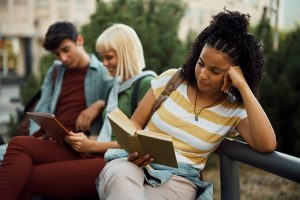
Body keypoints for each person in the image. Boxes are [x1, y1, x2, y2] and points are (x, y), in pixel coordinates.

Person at [97, 10, 277, 200]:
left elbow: (267, 144)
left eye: (215, 70)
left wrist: (243, 86)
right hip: (134, 165)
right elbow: (135, 123)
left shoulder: (233, 110)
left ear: (233, 74)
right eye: (201, 63)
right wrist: (135, 149)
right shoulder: (172, 79)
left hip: (178, 180)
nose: (203, 74)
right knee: (118, 177)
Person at [0, 23, 155, 200]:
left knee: (28, 177)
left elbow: (142, 143)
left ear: (126, 54)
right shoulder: (116, 85)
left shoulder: (145, 84)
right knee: (19, 143)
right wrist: (84, 139)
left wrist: (91, 144)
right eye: (102, 57)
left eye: (109, 57)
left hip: (114, 160)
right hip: (93, 150)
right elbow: (109, 133)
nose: (104, 63)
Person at [0, 21, 113, 161]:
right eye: (57, 54)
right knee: (6, 152)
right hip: (50, 141)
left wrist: (100, 104)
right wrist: (37, 136)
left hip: (81, 146)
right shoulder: (55, 70)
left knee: (12, 150)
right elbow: (42, 109)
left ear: (79, 40)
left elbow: (116, 104)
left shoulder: (104, 71)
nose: (63, 58)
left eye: (66, 50)